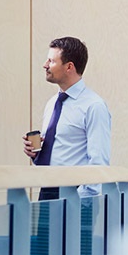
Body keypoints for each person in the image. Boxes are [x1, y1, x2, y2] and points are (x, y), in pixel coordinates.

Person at [23, 36, 112, 200]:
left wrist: (81, 200)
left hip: (75, 196)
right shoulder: (52, 103)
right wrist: (36, 155)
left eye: (51, 61)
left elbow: (98, 161)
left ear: (69, 67)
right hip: (45, 191)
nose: (45, 65)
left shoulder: (94, 106)